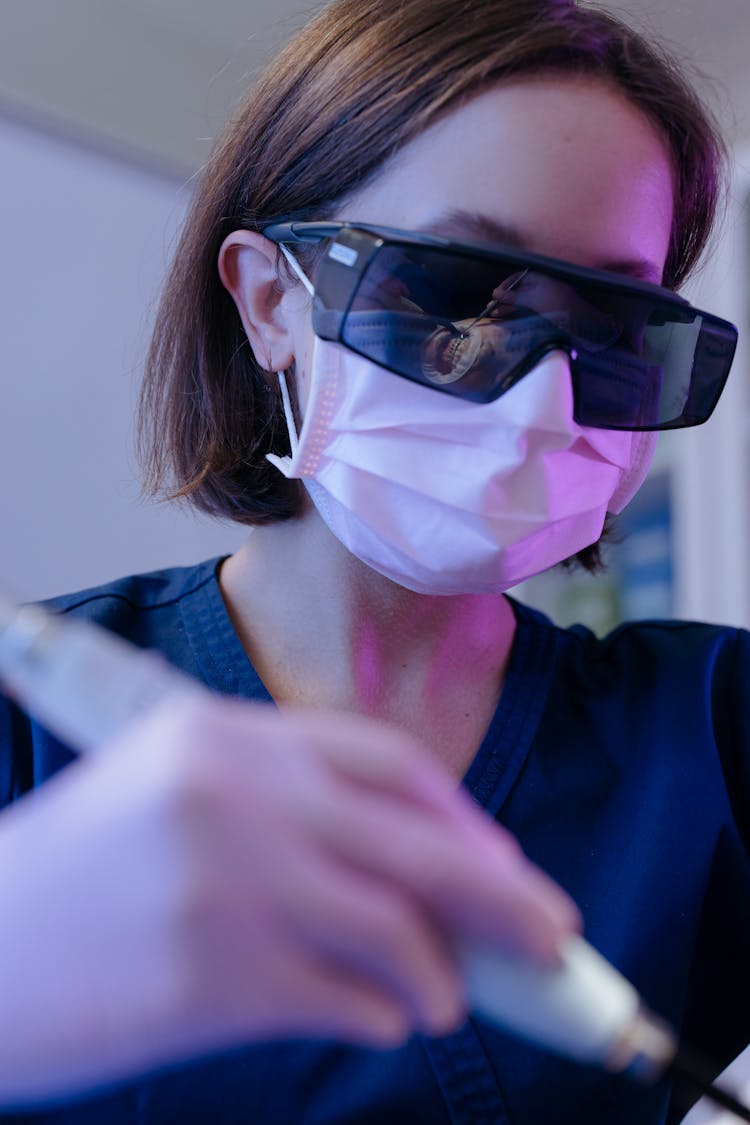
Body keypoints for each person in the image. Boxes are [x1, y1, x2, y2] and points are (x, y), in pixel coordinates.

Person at [0, 0, 747, 1121]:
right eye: (455, 296)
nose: (542, 398)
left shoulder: (712, 734)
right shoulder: (26, 727)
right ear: (270, 307)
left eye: (609, 331)